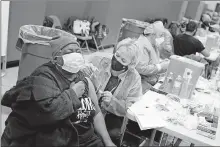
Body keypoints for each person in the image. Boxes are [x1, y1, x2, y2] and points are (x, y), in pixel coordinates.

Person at [1, 36, 115, 147]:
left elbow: (97, 113)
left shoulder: (84, 79)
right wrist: (73, 94)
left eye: (78, 51)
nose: (75, 55)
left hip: (87, 139)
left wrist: (108, 142)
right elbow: (47, 114)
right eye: (69, 52)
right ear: (56, 58)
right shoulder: (43, 77)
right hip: (60, 139)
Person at [82, 38, 142, 145]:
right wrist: (84, 68)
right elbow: (81, 63)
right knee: (82, 126)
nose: (117, 60)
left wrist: (113, 102)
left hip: (112, 115)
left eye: (123, 61)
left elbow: (132, 108)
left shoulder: (134, 78)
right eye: (117, 55)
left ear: (131, 65)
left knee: (113, 134)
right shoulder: (99, 59)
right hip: (88, 105)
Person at [135, 22, 170, 93]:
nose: (162, 38)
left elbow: (152, 60)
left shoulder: (153, 44)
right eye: (161, 35)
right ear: (152, 34)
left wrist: (161, 62)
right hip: (141, 83)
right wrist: (160, 66)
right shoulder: (141, 45)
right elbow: (141, 68)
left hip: (151, 79)